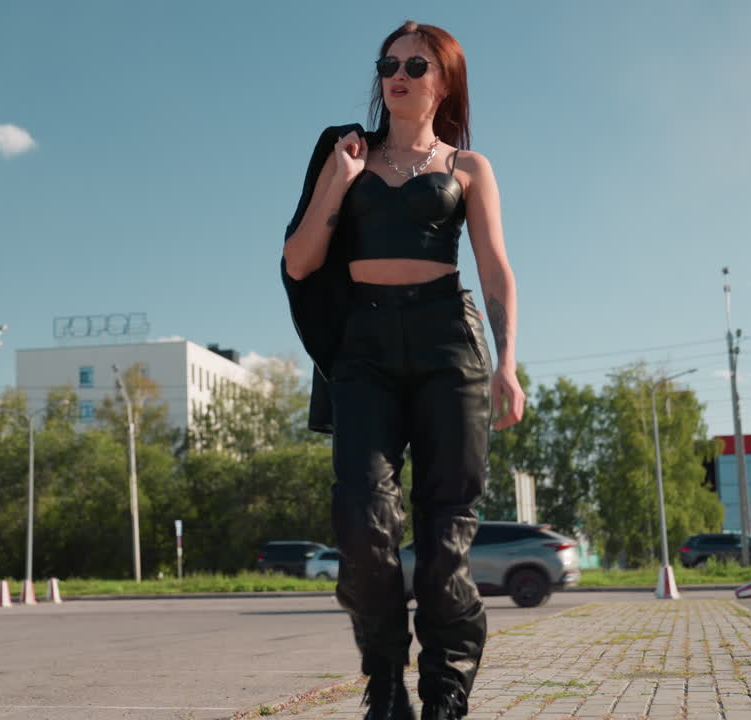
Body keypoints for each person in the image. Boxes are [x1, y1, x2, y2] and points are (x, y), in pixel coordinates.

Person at [279, 20, 525, 720]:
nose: (399, 74)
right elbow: (299, 262)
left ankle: (445, 696)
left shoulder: (468, 168)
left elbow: (495, 271)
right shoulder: (344, 153)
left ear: (443, 81)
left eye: (417, 65)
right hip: (363, 351)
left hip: (449, 343)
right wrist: (339, 182)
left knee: (446, 542)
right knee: (363, 525)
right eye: (389, 62)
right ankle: (385, 684)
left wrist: (507, 364)